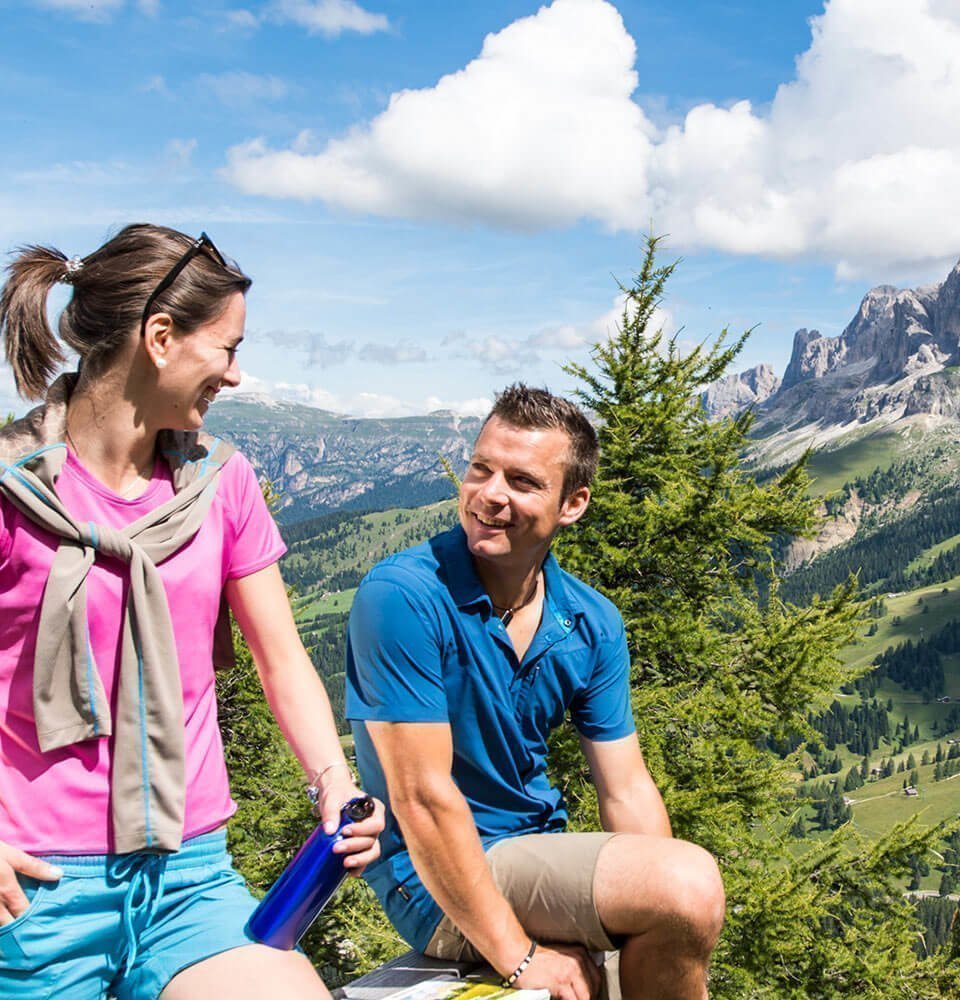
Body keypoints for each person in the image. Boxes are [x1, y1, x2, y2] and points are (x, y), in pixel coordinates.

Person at [0, 224, 384, 999]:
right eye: (229, 348)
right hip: (33, 881)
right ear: (162, 338)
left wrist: (332, 783)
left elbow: (282, 659)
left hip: (190, 872)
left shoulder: (222, 483)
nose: (237, 377)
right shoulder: (13, 486)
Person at [346, 384, 725, 1000]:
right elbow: (421, 798)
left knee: (681, 888)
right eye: (480, 469)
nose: (489, 496)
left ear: (572, 504)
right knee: (684, 886)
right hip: (434, 877)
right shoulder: (404, 596)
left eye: (521, 482)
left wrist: (661, 894)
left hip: (532, 853)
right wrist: (522, 959)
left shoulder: (590, 620)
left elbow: (625, 787)